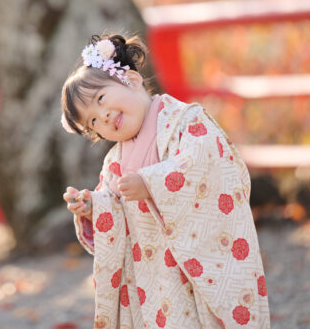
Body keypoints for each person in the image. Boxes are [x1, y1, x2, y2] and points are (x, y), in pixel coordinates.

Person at [60, 34, 271, 328]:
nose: (103, 117)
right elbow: (115, 211)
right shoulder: (114, 163)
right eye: (92, 121)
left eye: (101, 99)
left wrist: (151, 183)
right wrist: (93, 207)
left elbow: (206, 163)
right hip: (156, 274)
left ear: (131, 81)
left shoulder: (187, 121)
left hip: (200, 258)